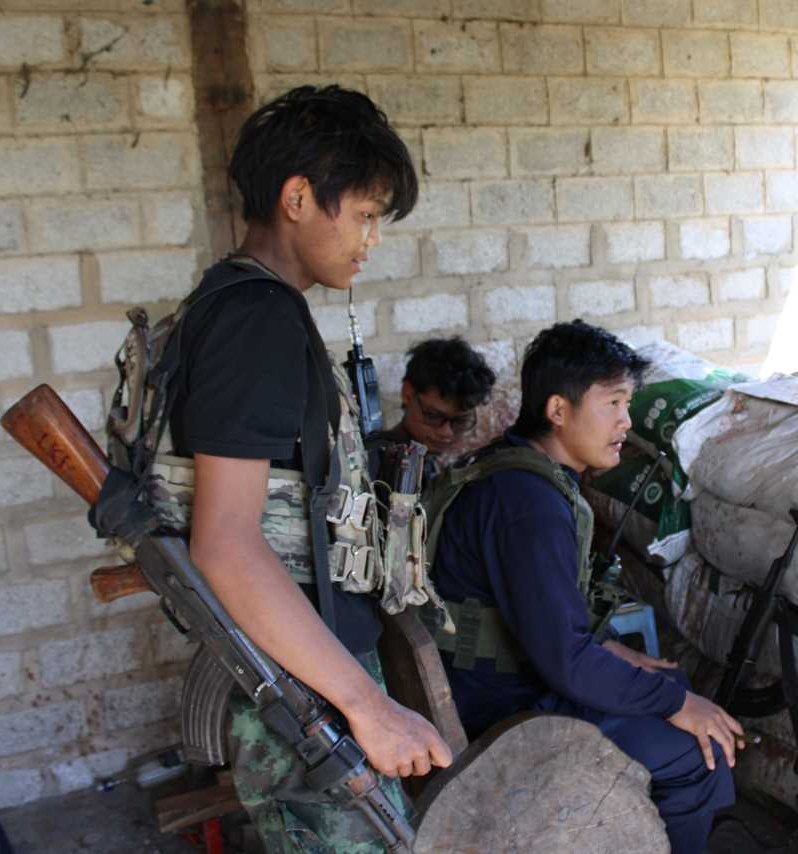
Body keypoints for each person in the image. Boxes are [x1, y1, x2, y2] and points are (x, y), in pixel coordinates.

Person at [166, 85, 451, 853]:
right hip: (297, 681)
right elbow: (224, 542)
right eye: (363, 214)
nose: (371, 239)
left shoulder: (251, 308)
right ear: (298, 198)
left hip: (303, 659)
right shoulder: (253, 320)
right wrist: (367, 705)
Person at [426, 320, 743, 853]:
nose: (626, 420)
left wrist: (621, 656)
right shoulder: (527, 505)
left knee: (672, 682)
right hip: (503, 713)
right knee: (697, 754)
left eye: (627, 404)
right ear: (558, 410)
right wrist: (671, 704)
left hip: (494, 682)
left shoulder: (513, 470)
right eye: (613, 404)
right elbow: (566, 664)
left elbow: (538, 619)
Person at [370, 337, 496, 479]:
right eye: (433, 416)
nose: (446, 433)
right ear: (408, 393)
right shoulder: (377, 461)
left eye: (461, 421)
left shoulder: (426, 460)